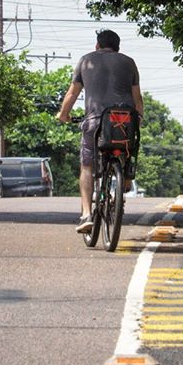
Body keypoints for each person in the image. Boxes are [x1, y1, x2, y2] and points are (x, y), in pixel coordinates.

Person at [56, 29, 143, 233]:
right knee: (130, 144)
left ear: (97, 45)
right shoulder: (129, 63)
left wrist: (63, 114)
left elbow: (72, 93)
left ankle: (86, 214)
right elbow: (137, 99)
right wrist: (138, 118)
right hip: (124, 121)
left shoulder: (86, 61)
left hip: (96, 122)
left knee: (87, 166)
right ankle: (127, 177)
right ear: (117, 47)